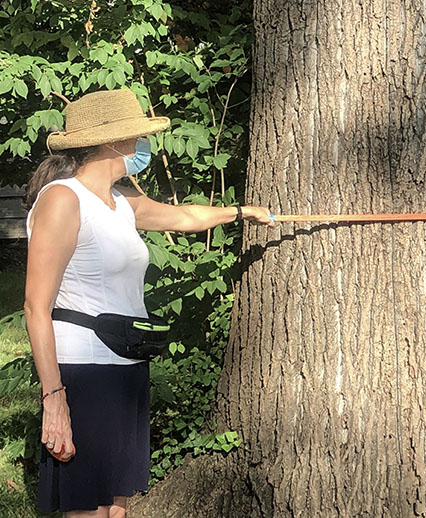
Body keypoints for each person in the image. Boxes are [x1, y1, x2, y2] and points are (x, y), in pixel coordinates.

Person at [24, 89, 273, 518]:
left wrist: (240, 212)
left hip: (125, 366)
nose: (143, 146)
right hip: (82, 371)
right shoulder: (63, 199)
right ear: (113, 142)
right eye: (138, 136)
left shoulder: (120, 202)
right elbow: (35, 306)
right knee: (87, 507)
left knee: (117, 506)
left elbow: (183, 217)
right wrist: (54, 396)